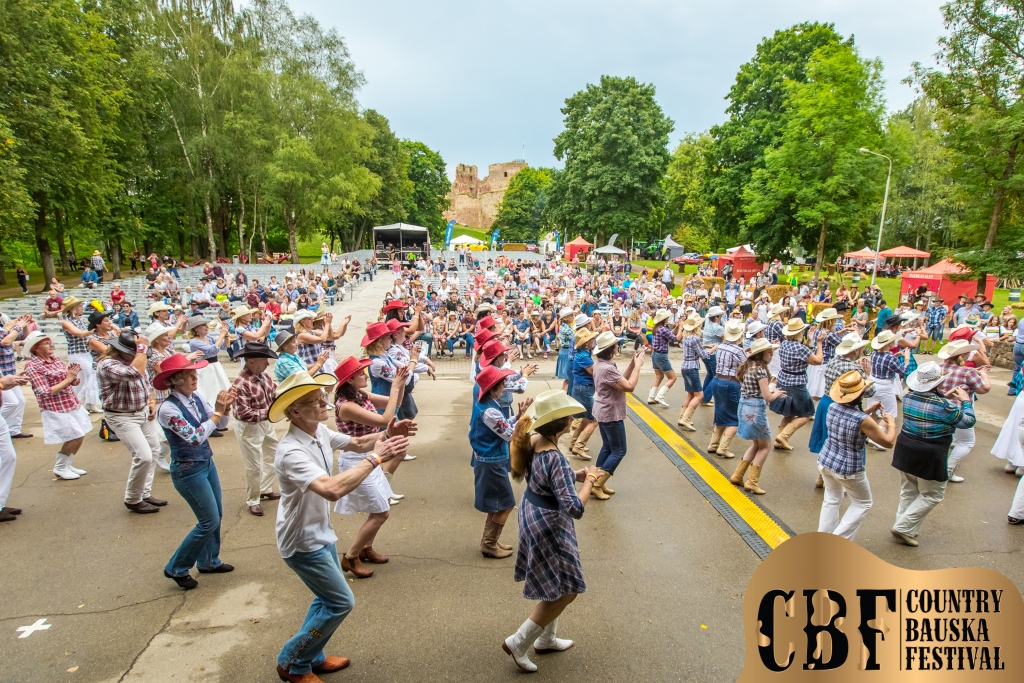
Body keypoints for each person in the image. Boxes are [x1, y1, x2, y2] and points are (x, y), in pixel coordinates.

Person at [269, 370, 410, 683]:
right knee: (340, 602)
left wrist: (387, 435)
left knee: (326, 599)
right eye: (314, 400)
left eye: (322, 396)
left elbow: (358, 442)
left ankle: (312, 656)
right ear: (294, 412)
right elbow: (331, 488)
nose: (324, 402)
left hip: (319, 533)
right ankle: (292, 662)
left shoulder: (318, 432)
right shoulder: (291, 451)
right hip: (302, 542)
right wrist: (377, 457)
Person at [503, 390, 598, 673]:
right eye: (569, 418)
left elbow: (547, 479)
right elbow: (574, 508)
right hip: (550, 526)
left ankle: (546, 639)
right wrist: (590, 481)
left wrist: (574, 475)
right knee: (566, 590)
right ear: (562, 426)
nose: (572, 421)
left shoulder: (534, 439)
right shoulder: (555, 457)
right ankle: (519, 642)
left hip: (533, 512)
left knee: (554, 582)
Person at [155, 353, 235, 589]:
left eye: (194, 373)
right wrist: (218, 412)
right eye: (189, 375)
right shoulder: (168, 409)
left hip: (206, 463)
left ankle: (209, 560)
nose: (195, 377)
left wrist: (225, 409)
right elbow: (197, 436)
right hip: (187, 470)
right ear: (175, 380)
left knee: (216, 515)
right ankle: (176, 567)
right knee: (208, 520)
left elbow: (219, 424)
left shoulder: (196, 396)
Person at [332, 357, 412, 577]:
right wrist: (395, 386)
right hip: (356, 460)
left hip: (372, 454)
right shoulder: (346, 406)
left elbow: (393, 403)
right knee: (381, 513)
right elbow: (386, 419)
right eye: (361, 374)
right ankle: (350, 557)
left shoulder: (360, 395)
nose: (366, 376)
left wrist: (401, 382)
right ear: (349, 381)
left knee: (382, 504)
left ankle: (366, 549)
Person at [891, 362, 976, 547]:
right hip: (930, 452)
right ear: (938, 383)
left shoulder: (908, 397)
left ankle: (904, 526)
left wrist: (945, 396)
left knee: (908, 490)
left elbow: (928, 405)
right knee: (933, 494)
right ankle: (904, 527)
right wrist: (966, 400)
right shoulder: (945, 406)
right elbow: (968, 421)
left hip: (906, 447)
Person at [817, 371, 898, 540]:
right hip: (848, 468)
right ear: (861, 393)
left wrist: (869, 410)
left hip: (826, 460)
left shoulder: (832, 406)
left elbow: (848, 418)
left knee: (831, 499)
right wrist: (891, 422)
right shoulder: (863, 419)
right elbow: (888, 442)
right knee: (862, 503)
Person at [97, 329, 168, 514]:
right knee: (142, 455)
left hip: (142, 411)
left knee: (154, 450)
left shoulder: (138, 359)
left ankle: (144, 493)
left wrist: (150, 401)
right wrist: (142, 349)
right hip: (121, 415)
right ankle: (133, 498)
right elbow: (134, 373)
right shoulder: (107, 363)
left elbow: (145, 382)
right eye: (133, 352)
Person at [470, 365, 528, 558]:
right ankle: (489, 544)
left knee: (498, 504)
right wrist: (522, 423)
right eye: (502, 383)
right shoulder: (490, 412)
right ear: (493, 388)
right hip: (491, 462)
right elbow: (509, 435)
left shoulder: (489, 404)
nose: (505, 385)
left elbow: (502, 426)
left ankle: (491, 540)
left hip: (492, 459)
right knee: (506, 504)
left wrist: (517, 417)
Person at [23, 331, 93, 480]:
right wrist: (68, 379)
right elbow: (45, 391)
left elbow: (68, 379)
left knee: (80, 434)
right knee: (74, 435)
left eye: (50, 342)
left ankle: (67, 464)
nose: (51, 345)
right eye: (46, 343)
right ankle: (60, 467)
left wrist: (73, 378)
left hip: (70, 402)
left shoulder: (55, 359)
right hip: (55, 407)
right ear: (35, 348)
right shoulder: (32, 365)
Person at [231, 342, 283, 517]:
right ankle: (253, 499)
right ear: (251, 362)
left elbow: (274, 391)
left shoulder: (263, 375)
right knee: (253, 465)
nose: (268, 363)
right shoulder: (241, 383)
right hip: (249, 426)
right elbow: (245, 413)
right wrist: (273, 411)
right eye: (264, 360)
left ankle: (265, 488)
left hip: (265, 422)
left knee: (274, 455)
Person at [592, 331, 646, 498]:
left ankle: (595, 481)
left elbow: (620, 380)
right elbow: (629, 386)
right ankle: (597, 484)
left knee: (608, 447)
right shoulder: (608, 368)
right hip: (610, 413)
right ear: (610, 349)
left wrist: (631, 364)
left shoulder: (601, 364)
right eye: (616, 344)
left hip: (603, 410)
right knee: (619, 450)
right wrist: (638, 367)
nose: (618, 346)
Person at [730, 338, 786, 494]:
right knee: (765, 446)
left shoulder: (747, 367)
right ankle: (752, 482)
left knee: (756, 444)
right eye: (769, 353)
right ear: (762, 354)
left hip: (744, 407)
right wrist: (776, 393)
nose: (771, 355)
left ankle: (738, 475)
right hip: (756, 409)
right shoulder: (761, 370)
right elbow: (767, 396)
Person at [937, 339, 991, 483]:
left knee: (947, 440)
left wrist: (975, 373)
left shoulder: (938, 367)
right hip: (959, 411)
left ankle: (944, 469)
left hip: (939, 409)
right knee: (967, 442)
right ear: (965, 354)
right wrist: (984, 375)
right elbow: (984, 389)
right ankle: (948, 471)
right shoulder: (967, 372)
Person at [770, 318, 823, 450]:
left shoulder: (785, 344)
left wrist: (809, 341)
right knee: (807, 413)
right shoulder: (800, 348)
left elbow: (799, 351)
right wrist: (819, 343)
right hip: (797, 383)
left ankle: (779, 440)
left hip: (783, 380)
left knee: (789, 413)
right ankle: (784, 436)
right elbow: (818, 361)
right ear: (800, 332)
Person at [708, 319, 747, 459]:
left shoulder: (721, 346)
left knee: (720, 414)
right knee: (734, 419)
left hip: (717, 380)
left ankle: (713, 444)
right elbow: (746, 366)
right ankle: (723, 448)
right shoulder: (739, 350)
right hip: (731, 383)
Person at [187, 315, 231, 413]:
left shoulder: (208, 337)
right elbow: (212, 350)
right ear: (196, 328)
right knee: (209, 393)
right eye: (203, 325)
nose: (206, 327)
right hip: (204, 368)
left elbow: (225, 346)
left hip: (215, 366)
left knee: (220, 390)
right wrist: (222, 334)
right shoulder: (194, 342)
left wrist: (226, 334)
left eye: (206, 324)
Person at [677, 315, 711, 431]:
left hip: (685, 366)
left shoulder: (686, 337)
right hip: (692, 367)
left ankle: (682, 417)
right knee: (699, 395)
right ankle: (685, 419)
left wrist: (705, 346)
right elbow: (703, 355)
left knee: (690, 393)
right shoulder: (695, 338)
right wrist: (713, 349)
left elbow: (695, 349)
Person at [568, 329, 598, 458]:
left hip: (582, 388)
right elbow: (595, 372)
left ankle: (574, 443)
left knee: (586, 418)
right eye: (592, 339)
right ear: (586, 343)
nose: (594, 341)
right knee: (594, 420)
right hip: (584, 389)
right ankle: (579, 446)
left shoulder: (583, 354)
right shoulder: (584, 356)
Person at [1, 314, 32, 439]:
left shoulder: (7, 332)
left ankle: (14, 430)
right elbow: (5, 342)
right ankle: (4, 427)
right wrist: (17, 326)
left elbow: (26, 337)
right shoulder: (5, 332)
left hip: (11, 373)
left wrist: (25, 325)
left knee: (20, 402)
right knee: (11, 403)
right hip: (2, 376)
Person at [646, 308, 676, 407]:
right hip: (661, 355)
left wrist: (676, 328)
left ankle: (651, 397)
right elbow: (675, 338)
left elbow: (670, 334)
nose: (668, 318)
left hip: (655, 354)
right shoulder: (663, 329)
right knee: (672, 378)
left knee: (659, 376)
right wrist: (680, 328)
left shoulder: (657, 328)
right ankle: (660, 396)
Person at [554, 307, 575, 393]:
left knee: (568, 379)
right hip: (567, 352)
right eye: (571, 316)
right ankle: (564, 396)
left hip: (565, 351)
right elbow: (575, 338)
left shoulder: (564, 326)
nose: (573, 317)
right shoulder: (567, 329)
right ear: (566, 318)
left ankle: (563, 394)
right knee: (569, 378)